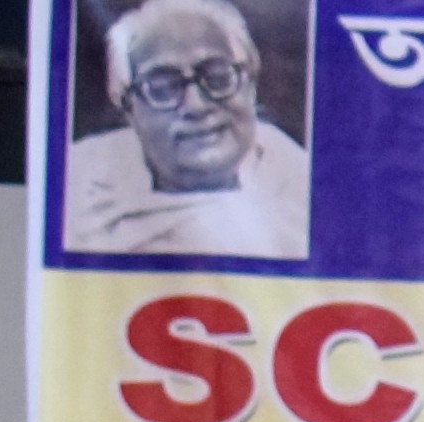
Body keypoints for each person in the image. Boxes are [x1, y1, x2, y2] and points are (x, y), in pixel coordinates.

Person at [61, 0, 311, 257]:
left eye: (217, 77)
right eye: (162, 88)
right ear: (128, 111)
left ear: (251, 86)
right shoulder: (76, 194)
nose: (196, 106)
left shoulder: (298, 184)